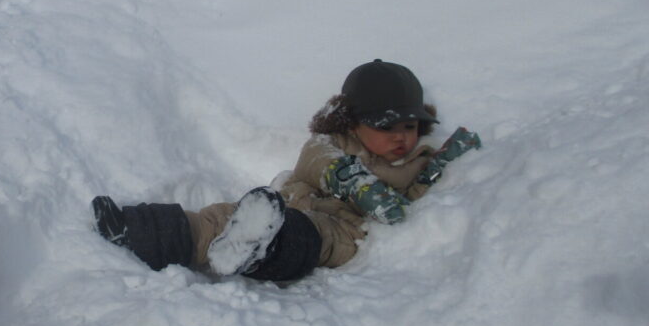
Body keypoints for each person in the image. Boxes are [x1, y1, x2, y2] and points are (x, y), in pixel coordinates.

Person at [92, 59, 481, 283]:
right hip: (290, 204)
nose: (400, 138)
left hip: (340, 231)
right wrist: (347, 178)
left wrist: (434, 172)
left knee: (301, 239)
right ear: (353, 123)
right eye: (386, 127)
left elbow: (417, 204)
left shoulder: (415, 162)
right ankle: (142, 231)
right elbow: (313, 158)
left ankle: (256, 253)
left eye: (409, 127)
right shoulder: (333, 145)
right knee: (222, 216)